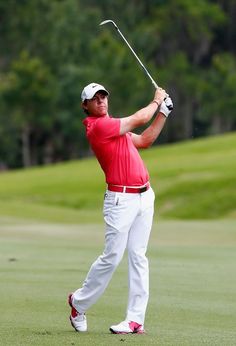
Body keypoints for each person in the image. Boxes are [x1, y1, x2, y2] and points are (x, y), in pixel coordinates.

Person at [68, 82, 173, 334]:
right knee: (112, 257)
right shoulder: (98, 127)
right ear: (86, 105)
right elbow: (140, 118)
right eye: (95, 98)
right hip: (120, 200)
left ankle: (135, 320)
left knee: (139, 256)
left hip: (144, 196)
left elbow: (146, 140)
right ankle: (78, 303)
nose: (101, 101)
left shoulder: (115, 127)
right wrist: (157, 100)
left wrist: (164, 114)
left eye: (104, 96)